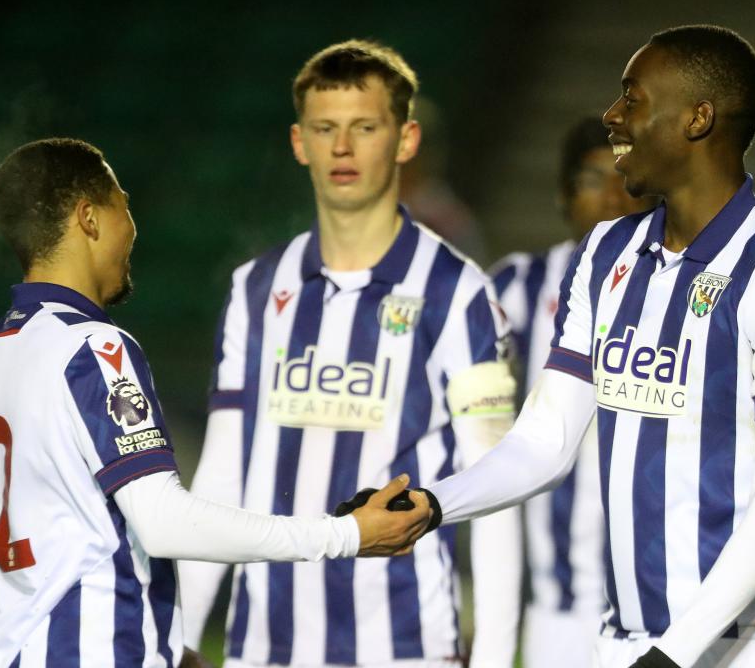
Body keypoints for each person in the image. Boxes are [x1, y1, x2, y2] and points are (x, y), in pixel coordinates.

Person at [411, 25, 755, 668]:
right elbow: (545, 440)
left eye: (632, 98)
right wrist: (435, 502)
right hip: (626, 639)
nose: (612, 117)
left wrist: (673, 654)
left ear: (698, 118)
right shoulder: (608, 255)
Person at [0, 138, 431, 668]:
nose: (133, 228)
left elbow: (67, 530)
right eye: (125, 205)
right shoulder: (93, 347)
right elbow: (162, 520)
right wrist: (345, 534)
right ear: (89, 217)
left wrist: (164, 646)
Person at [177, 40, 520, 668]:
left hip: (405, 649)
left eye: (364, 127)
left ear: (407, 140)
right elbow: (224, 472)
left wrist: (494, 658)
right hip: (262, 648)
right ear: (298, 142)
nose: (342, 148)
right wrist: (180, 633)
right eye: (325, 129)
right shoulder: (255, 288)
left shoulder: (461, 294)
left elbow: (496, 488)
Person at [490, 117, 657, 668]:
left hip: (662, 605)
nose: (611, 196)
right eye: (591, 180)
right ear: (564, 195)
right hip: (557, 613)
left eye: (624, 179)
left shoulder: (693, 288)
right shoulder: (518, 286)